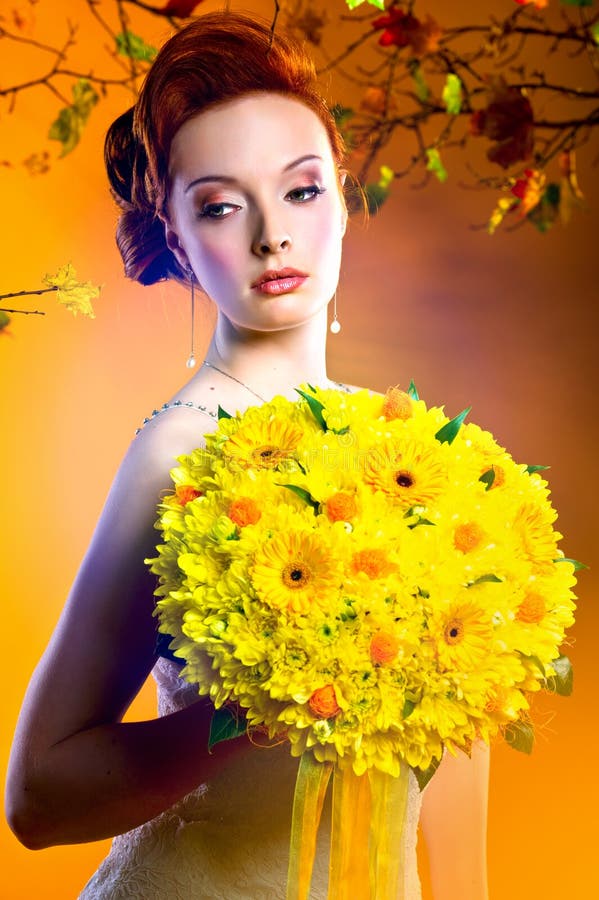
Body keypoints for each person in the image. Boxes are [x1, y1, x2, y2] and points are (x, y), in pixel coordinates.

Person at [5, 12, 489, 899]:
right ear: (177, 241)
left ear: (342, 199)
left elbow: (456, 762)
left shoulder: (420, 454)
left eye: (301, 190)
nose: (272, 233)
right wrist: (257, 715)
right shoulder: (180, 450)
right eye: (222, 206)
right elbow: (37, 797)